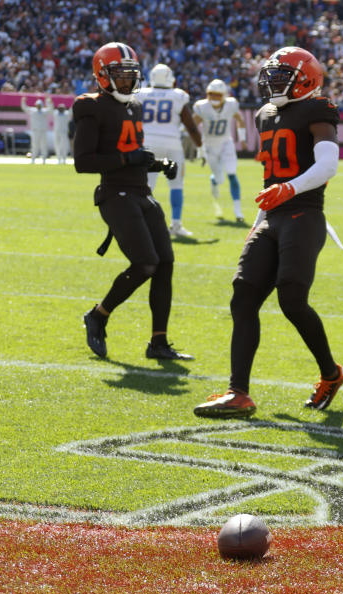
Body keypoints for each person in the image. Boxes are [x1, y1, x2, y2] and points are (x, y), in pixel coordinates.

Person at [194, 46, 343, 419]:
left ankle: (331, 373)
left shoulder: (318, 109)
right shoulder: (265, 115)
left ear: (305, 80)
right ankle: (238, 392)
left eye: (282, 78)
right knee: (243, 295)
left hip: (304, 215)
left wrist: (289, 189)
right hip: (272, 217)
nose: (273, 84)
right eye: (272, 77)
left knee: (292, 300)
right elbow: (270, 180)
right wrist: (257, 222)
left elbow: (328, 165)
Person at [74, 42, 191, 361]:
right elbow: (84, 162)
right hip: (115, 194)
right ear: (102, 75)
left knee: (164, 264)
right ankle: (98, 315)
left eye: (130, 75)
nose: (127, 81)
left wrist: (157, 164)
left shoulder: (135, 106)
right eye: (120, 75)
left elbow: (131, 155)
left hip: (141, 192)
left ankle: (159, 343)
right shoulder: (90, 106)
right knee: (145, 263)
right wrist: (129, 159)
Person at [137, 63, 202, 238]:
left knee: (147, 186)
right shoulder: (177, 96)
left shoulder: (142, 95)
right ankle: (176, 224)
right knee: (176, 185)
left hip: (148, 142)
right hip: (172, 144)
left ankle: (144, 223)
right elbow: (191, 127)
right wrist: (200, 147)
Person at [192, 78, 247, 223]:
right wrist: (197, 146)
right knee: (219, 179)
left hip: (226, 143)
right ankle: (214, 180)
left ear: (224, 95)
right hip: (209, 145)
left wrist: (242, 139)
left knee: (232, 174)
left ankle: (238, 212)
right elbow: (193, 124)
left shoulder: (231, 104)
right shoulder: (202, 107)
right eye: (212, 94)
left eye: (218, 95)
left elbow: (240, 119)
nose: (215, 98)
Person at [21, 97, 51, 163]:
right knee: (34, 145)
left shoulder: (44, 111)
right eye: (38, 105)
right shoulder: (32, 110)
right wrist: (23, 101)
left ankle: (44, 160)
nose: (38, 106)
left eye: (40, 105)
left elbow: (50, 109)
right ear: (36, 105)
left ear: (42, 105)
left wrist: (48, 102)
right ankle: (33, 159)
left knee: (43, 145)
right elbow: (25, 108)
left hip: (43, 131)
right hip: (35, 131)